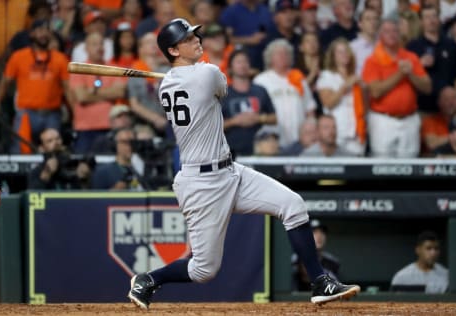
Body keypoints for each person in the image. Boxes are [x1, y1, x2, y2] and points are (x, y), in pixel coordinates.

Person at [127, 18, 360, 309]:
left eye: (194, 35)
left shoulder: (168, 84)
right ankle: (149, 280)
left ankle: (320, 282)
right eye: (188, 39)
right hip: (202, 184)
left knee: (293, 205)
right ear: (173, 50)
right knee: (203, 270)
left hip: (229, 171)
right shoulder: (207, 73)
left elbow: (194, 86)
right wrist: (189, 73)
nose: (197, 39)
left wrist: (180, 72)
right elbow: (221, 89)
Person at [0, 19, 72, 154]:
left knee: (54, 151)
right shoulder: (18, 57)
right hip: (26, 113)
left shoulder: (60, 59)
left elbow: (68, 88)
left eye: (45, 30)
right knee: (20, 151)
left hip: (52, 113)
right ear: (31, 34)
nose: (43, 34)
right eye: (39, 31)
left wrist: (75, 111)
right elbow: (5, 82)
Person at [362, 19, 432, 158]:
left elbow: (427, 87)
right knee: (381, 167)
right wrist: (400, 74)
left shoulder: (410, 57)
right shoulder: (372, 60)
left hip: (409, 119)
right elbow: (375, 92)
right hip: (383, 120)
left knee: (410, 167)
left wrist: (410, 74)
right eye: (387, 31)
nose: (392, 34)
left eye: (395, 31)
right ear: (380, 34)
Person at [69, 32, 127, 154]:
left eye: (101, 44)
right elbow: (82, 96)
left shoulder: (113, 68)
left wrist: (92, 92)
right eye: (94, 44)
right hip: (85, 129)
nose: (99, 47)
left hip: (110, 126)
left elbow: (120, 92)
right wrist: (108, 92)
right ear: (86, 48)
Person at [254, 39, 317, 148]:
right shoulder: (261, 80)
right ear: (270, 57)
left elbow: (310, 109)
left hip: (299, 140)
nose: (283, 56)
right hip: (272, 140)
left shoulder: (299, 78)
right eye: (279, 53)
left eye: (286, 53)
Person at [406, 5, 456, 114]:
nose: (431, 20)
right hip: (422, 107)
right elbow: (405, 74)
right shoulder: (413, 46)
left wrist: (455, 100)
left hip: (448, 109)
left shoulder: (452, 45)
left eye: (434, 16)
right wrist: (419, 63)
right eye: (427, 17)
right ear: (421, 22)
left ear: (439, 19)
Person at [317, 38, 367, 157]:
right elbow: (328, 103)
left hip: (357, 135)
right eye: (339, 52)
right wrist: (345, 86)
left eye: (346, 51)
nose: (344, 54)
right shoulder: (327, 76)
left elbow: (365, 107)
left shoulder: (356, 77)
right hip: (337, 134)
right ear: (333, 56)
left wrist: (364, 89)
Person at [222, 49, 277, 156]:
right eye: (238, 62)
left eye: (245, 61)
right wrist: (234, 121)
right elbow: (213, 126)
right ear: (230, 69)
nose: (243, 65)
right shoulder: (223, 94)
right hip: (232, 150)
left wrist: (258, 118)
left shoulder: (260, 90)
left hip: (260, 149)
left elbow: (274, 118)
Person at [28, 128, 94, 190]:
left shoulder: (74, 166)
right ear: (41, 148)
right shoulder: (36, 172)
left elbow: (89, 197)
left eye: (58, 138)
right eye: (50, 141)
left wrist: (84, 180)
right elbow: (32, 197)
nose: (56, 143)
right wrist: (46, 174)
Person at [292, 219, 341, 291]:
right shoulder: (295, 260)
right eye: (314, 232)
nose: (319, 236)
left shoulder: (332, 262)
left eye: (322, 232)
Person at [421, 86, 456, 154]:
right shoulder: (430, 121)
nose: (451, 102)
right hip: (435, 161)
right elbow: (432, 144)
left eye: (454, 98)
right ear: (439, 102)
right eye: (446, 99)